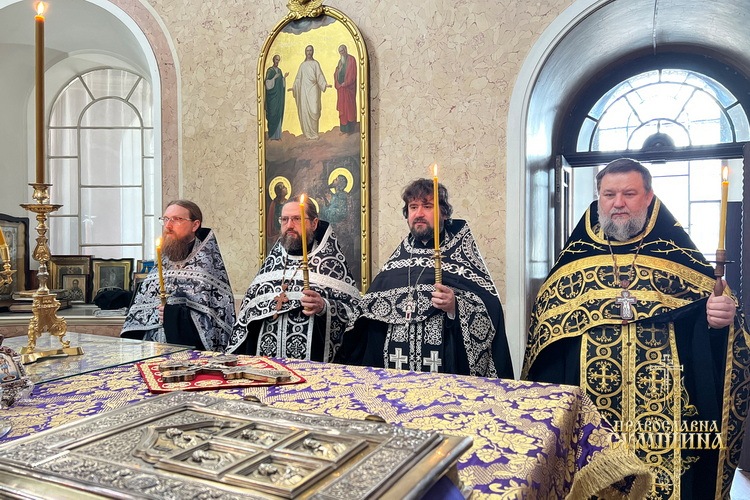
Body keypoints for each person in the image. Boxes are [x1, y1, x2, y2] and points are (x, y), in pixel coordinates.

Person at [522, 158, 750, 499]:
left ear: (649, 197)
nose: (618, 203)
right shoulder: (575, 258)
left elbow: (714, 336)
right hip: (591, 404)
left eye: (629, 193)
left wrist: (718, 320)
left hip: (665, 408)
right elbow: (547, 340)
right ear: (598, 198)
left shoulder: (677, 255)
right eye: (609, 194)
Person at [337, 179, 513, 379]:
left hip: (446, 377)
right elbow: (366, 317)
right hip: (395, 378)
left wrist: (455, 306)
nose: (419, 213)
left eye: (427, 206)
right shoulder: (397, 263)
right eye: (413, 207)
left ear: (444, 213)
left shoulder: (461, 257)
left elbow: (490, 312)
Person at [227, 196, 360, 361]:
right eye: (284, 219)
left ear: (314, 223)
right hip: (267, 364)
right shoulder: (272, 264)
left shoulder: (330, 265)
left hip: (313, 366)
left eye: (297, 219)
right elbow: (247, 315)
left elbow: (354, 314)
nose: (289, 225)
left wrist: (324, 307)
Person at [121, 200, 235, 351]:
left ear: (195, 225)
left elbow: (213, 321)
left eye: (176, 219)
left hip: (190, 355)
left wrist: (172, 315)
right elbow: (142, 306)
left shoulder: (206, 265)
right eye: (166, 219)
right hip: (152, 349)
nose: (168, 226)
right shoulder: (162, 261)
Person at [289, 45, 331, 140]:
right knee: (305, 111)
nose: (309, 52)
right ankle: (308, 134)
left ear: (313, 52)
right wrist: (294, 87)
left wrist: (324, 84)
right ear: (305, 52)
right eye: (307, 50)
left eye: (310, 50)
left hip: (314, 89)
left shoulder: (316, 64)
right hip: (304, 91)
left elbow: (319, 75)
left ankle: (315, 133)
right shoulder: (302, 65)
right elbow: (298, 78)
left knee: (314, 110)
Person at [334, 44, 357, 134]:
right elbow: (336, 72)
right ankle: (343, 129)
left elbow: (352, 74)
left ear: (346, 50)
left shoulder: (351, 59)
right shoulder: (340, 62)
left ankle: (350, 130)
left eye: (342, 51)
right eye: (340, 52)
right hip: (341, 90)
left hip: (348, 89)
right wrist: (337, 76)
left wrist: (346, 83)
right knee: (343, 109)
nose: (341, 53)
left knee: (349, 109)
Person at [265, 54, 288, 140]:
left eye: (278, 60)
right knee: (272, 114)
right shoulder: (270, 71)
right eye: (276, 59)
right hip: (272, 99)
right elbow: (267, 84)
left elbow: (281, 84)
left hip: (278, 98)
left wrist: (284, 78)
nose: (277, 61)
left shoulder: (279, 71)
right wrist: (274, 78)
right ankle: (271, 135)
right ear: (273, 60)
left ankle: (277, 136)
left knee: (278, 114)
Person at [266, 181, 288, 246]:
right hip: (276, 231)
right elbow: (271, 219)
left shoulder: (288, 203)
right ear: (280, 192)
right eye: (284, 187)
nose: (286, 188)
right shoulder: (274, 204)